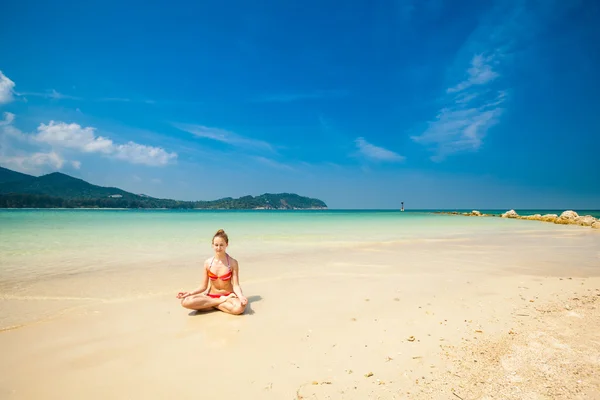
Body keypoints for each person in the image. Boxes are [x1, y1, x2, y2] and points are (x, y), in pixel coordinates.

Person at [176, 229, 248, 315]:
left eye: (221, 245)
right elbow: (203, 286)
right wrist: (190, 293)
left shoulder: (233, 263)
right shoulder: (207, 263)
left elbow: (236, 285)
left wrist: (241, 297)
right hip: (211, 297)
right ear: (212, 245)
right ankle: (219, 303)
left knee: (240, 308)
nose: (218, 248)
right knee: (185, 301)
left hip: (228, 296)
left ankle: (211, 305)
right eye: (216, 245)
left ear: (226, 245)